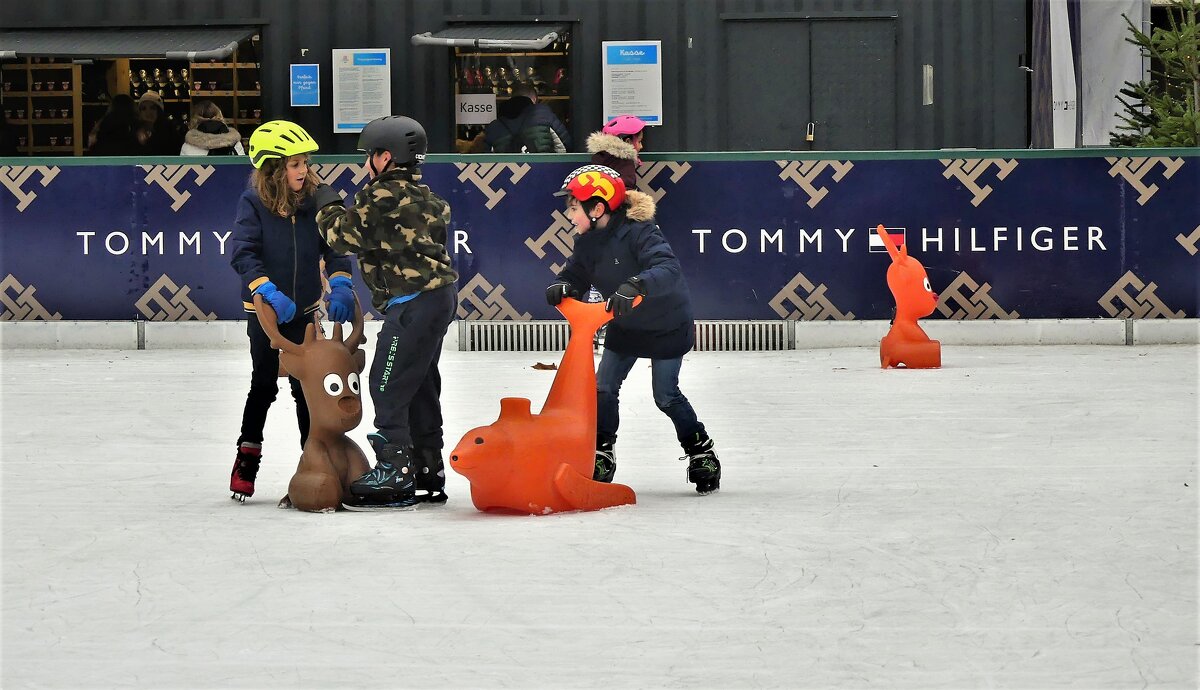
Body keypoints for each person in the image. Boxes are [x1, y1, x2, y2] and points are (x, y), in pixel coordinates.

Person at [544, 165, 721, 495]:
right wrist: (563, 285)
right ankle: (602, 451)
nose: (568, 215)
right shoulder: (587, 242)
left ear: (597, 208)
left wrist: (637, 284)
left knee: (665, 396)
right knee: (603, 387)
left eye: (572, 207)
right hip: (625, 325)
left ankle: (701, 451)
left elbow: (666, 267)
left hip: (666, 324)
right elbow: (576, 274)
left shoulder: (641, 231)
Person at [313, 115, 459, 509]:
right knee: (421, 382)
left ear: (386, 157)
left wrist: (325, 201)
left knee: (387, 382)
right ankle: (428, 468)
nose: (365, 165)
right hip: (439, 297)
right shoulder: (427, 197)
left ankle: (395, 471)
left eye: (369, 156)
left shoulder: (381, 196)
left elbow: (341, 236)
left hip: (412, 303)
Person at [227, 120, 356, 502]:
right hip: (265, 311)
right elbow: (243, 252)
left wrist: (341, 279)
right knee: (264, 385)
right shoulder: (253, 202)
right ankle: (246, 459)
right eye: (295, 164)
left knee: (306, 389)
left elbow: (334, 247)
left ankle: (314, 466)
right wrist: (265, 288)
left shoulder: (317, 199)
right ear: (273, 168)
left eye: (305, 162)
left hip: (305, 311)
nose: (305, 170)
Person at [482, 83, 572, 153]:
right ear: (534, 99)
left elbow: (486, 160)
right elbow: (565, 147)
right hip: (543, 172)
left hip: (509, 175)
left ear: (511, 98)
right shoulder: (543, 115)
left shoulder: (494, 127)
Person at [586, 114, 646, 188]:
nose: (641, 146)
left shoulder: (600, 156)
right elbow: (626, 189)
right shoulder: (625, 162)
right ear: (628, 142)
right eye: (639, 141)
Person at [180, 100, 244, 156]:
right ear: (220, 115)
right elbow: (243, 167)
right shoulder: (235, 144)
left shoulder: (188, 146)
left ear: (195, 120)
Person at [136, 90, 182, 155]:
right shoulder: (134, 132)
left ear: (159, 111)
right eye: (144, 108)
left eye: (152, 108)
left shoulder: (170, 131)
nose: (148, 112)